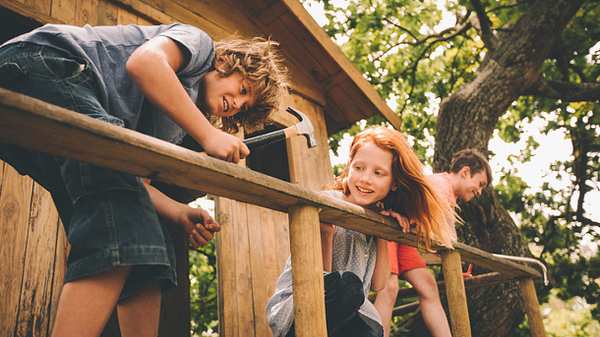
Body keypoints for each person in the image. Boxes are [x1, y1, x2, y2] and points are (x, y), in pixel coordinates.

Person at [0, 22, 287, 337]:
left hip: (29, 133)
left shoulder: (171, 122)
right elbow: (144, 62)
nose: (236, 103)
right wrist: (208, 135)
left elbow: (133, 180)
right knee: (124, 222)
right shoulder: (200, 47)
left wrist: (178, 211)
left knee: (147, 248)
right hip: (43, 64)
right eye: (242, 89)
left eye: (243, 107)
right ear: (225, 63)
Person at [266, 127, 455, 337]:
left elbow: (379, 284)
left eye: (378, 173)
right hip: (297, 308)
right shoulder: (326, 202)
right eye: (359, 168)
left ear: (393, 183)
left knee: (373, 326)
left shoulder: (374, 218)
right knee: (348, 287)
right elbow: (317, 282)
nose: (365, 179)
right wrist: (326, 233)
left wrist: (382, 231)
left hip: (347, 314)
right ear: (349, 168)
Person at [374, 149, 492, 337]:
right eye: (480, 183)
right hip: (390, 227)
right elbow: (446, 236)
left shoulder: (449, 195)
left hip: (404, 235)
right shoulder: (439, 185)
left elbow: (440, 236)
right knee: (389, 287)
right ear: (465, 172)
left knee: (428, 285)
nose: (479, 191)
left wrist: (453, 267)